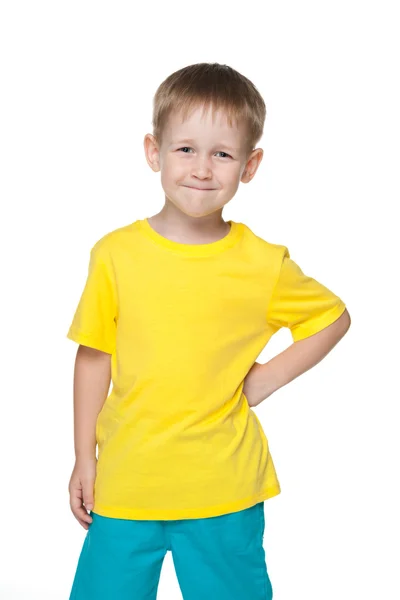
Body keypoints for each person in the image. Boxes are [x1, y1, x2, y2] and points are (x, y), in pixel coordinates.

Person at [66, 62, 351, 600]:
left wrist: (263, 380)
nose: (202, 168)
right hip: (127, 480)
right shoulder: (116, 255)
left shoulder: (262, 264)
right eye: (185, 149)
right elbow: (93, 355)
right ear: (154, 152)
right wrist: (85, 456)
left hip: (224, 486)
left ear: (250, 165)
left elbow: (333, 318)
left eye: (222, 153)